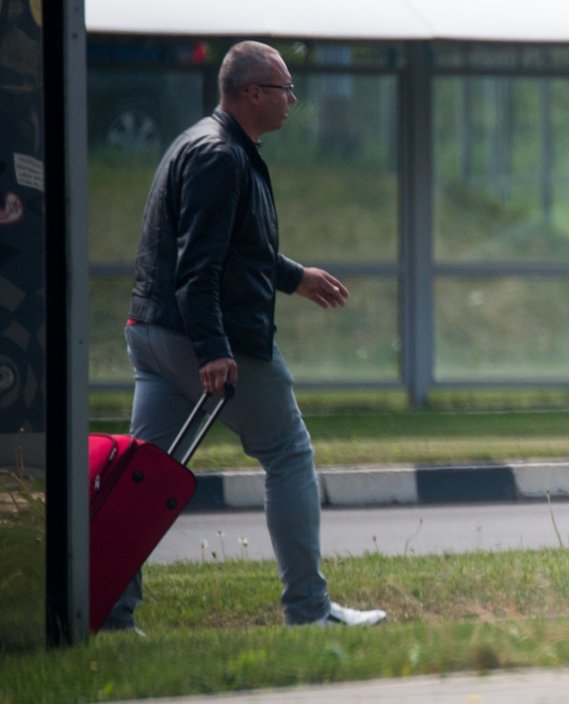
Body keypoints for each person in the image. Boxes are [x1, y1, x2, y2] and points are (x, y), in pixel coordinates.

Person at [103, 41, 387, 631]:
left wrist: (294, 276)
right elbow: (198, 268)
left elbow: (238, 247)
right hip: (206, 338)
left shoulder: (203, 141)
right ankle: (308, 611)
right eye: (285, 90)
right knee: (288, 454)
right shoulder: (222, 158)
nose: (293, 100)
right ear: (252, 93)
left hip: (153, 332)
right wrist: (213, 351)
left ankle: (109, 613)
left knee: (143, 480)